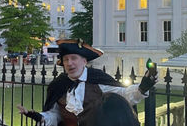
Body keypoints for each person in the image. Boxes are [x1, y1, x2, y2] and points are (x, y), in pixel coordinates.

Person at [17, 39, 157, 126]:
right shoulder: (58, 86)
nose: (69, 63)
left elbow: (124, 95)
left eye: (74, 58)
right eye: (66, 60)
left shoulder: (98, 80)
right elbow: (56, 115)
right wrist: (39, 116)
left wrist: (142, 88)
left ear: (84, 61)